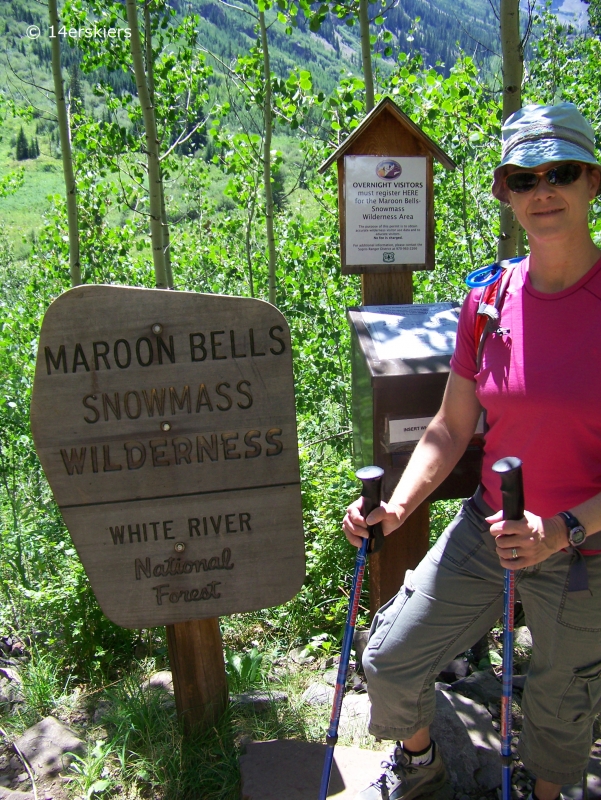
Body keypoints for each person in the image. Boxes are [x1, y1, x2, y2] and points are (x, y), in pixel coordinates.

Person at [343, 102, 601, 800]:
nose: (541, 190)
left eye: (561, 172)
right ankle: (420, 765)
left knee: (559, 702)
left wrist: (563, 529)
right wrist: (394, 506)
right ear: (504, 193)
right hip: (490, 526)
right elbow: (450, 427)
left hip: (583, 548)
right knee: (391, 657)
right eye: (523, 178)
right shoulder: (488, 300)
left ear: (590, 183)